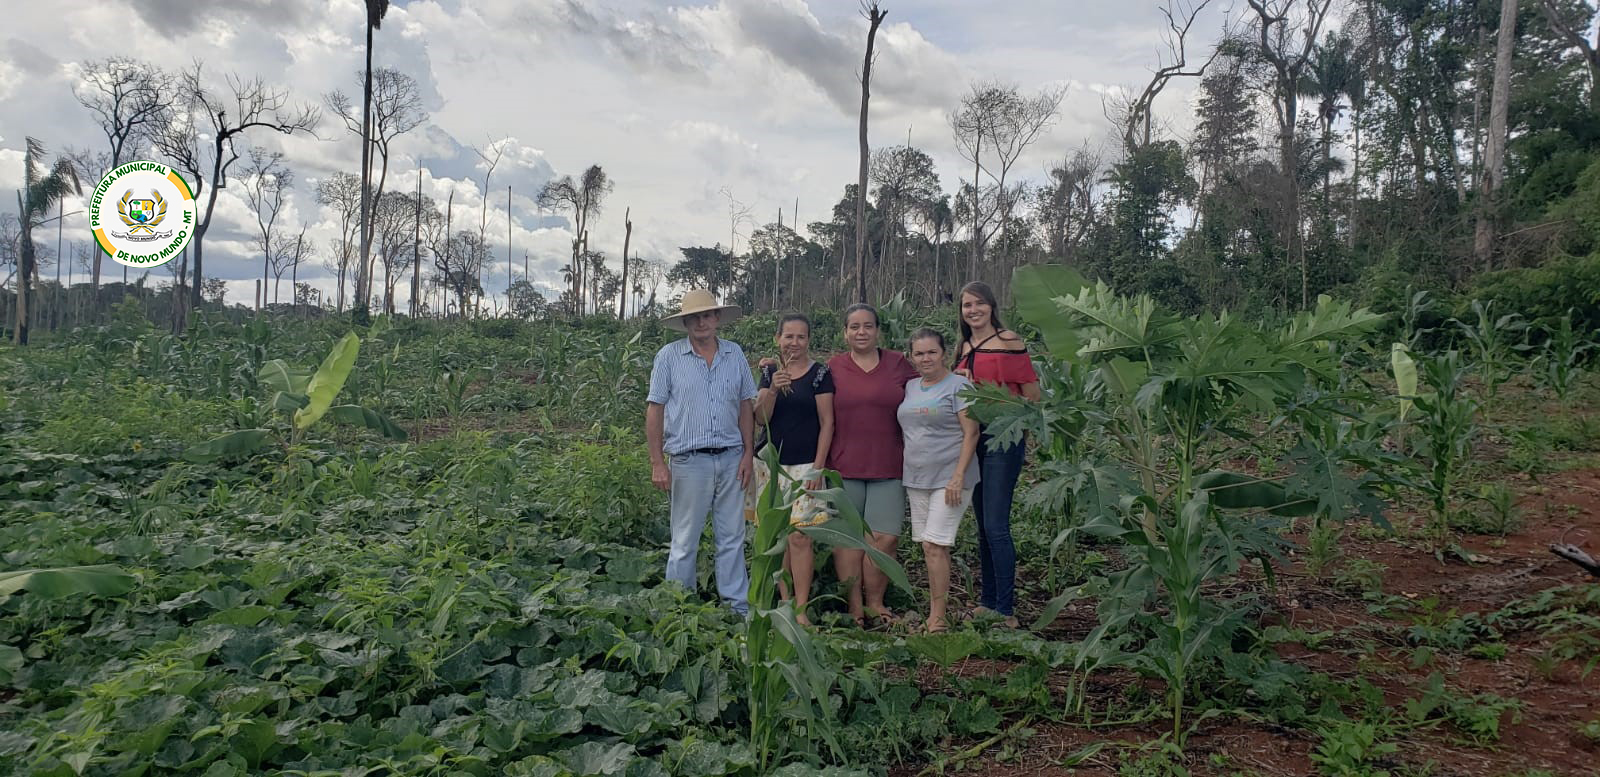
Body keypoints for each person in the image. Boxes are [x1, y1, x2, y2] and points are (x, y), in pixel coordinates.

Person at [646, 289, 757, 617]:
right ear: (685, 322)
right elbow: (655, 410)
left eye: (707, 315)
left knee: (732, 537)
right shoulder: (668, 357)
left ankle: (736, 609)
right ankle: (679, 611)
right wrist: (657, 463)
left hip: (731, 458)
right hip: (688, 461)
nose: (701, 322)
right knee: (684, 541)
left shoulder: (734, 354)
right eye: (694, 317)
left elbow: (745, 405)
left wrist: (748, 453)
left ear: (716, 319)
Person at [951, 281, 1041, 629]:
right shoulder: (963, 346)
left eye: (979, 304)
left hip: (1004, 439)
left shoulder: (1009, 341)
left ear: (991, 306)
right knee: (983, 527)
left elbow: (1033, 395)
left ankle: (1005, 609)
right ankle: (988, 601)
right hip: (973, 440)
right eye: (966, 305)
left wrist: (1011, 419)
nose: (973, 310)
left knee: (996, 525)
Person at [827, 303, 919, 625]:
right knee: (847, 541)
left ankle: (875, 603)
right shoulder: (833, 367)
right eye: (854, 326)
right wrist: (772, 366)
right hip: (843, 466)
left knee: (885, 538)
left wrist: (958, 376)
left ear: (878, 330)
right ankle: (853, 607)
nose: (861, 332)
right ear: (845, 332)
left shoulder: (898, 364)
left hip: (888, 465)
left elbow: (929, 386)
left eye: (868, 326)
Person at [747, 313, 835, 626]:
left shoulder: (820, 374)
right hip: (770, 465)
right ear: (778, 339)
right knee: (775, 536)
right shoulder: (769, 370)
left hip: (805, 465)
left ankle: (801, 607)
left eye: (800, 336)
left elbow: (827, 423)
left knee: (800, 537)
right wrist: (771, 388)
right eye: (788, 336)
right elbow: (761, 419)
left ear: (808, 340)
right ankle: (783, 601)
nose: (794, 342)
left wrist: (818, 468)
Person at [898, 328, 980, 633]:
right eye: (919, 353)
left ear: (944, 353)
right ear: (911, 358)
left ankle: (938, 617)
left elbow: (971, 432)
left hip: (950, 478)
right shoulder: (910, 387)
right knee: (928, 548)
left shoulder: (959, 385)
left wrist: (958, 476)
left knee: (936, 544)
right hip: (916, 477)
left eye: (932, 352)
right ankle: (936, 611)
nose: (926, 358)